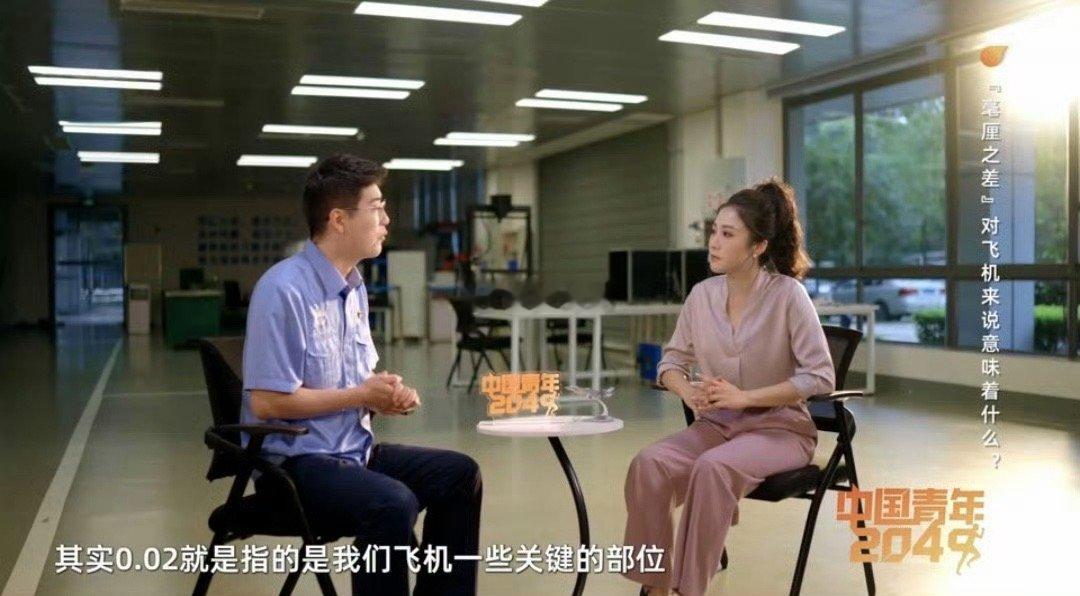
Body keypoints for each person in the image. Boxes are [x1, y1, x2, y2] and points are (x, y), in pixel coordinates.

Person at [240, 154, 482, 596]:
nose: (386, 220)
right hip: (295, 466)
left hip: (353, 452)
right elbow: (268, 402)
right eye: (377, 208)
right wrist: (360, 396)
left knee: (459, 474)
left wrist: (385, 391)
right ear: (338, 220)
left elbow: (355, 380)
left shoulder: (353, 287)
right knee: (392, 503)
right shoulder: (283, 289)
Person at [622, 179, 834, 596]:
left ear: (758, 246)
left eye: (727, 234)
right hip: (718, 425)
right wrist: (686, 390)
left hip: (780, 430)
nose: (714, 243)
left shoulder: (789, 296)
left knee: (712, 468)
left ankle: (688, 589)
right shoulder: (701, 296)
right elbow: (670, 362)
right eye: (714, 232)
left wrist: (747, 397)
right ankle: (654, 584)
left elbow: (821, 376)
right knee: (649, 464)